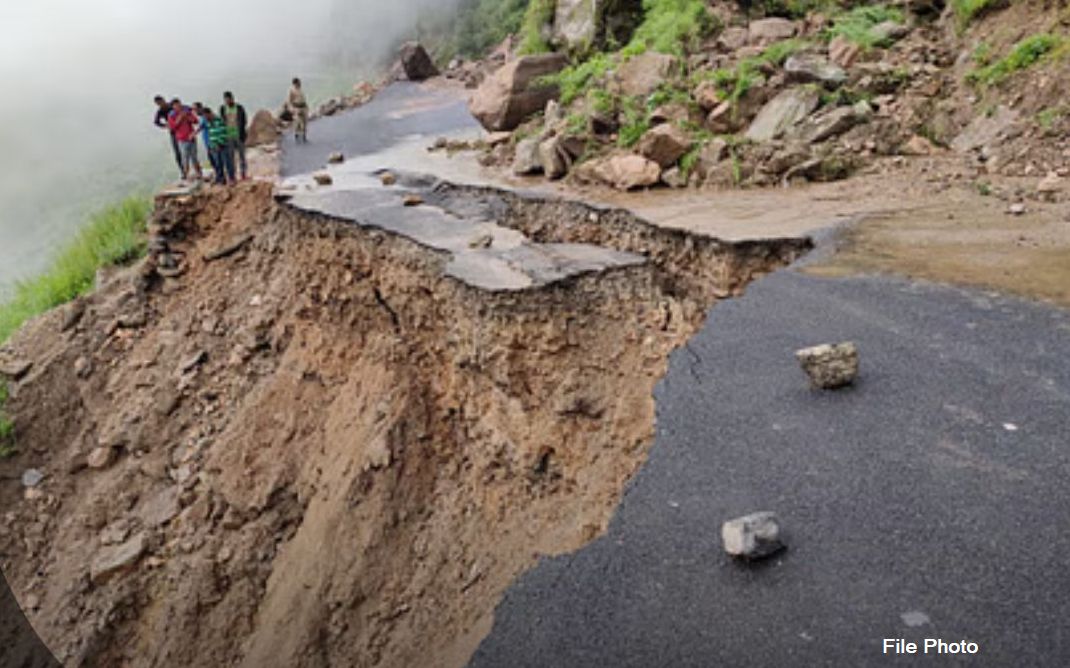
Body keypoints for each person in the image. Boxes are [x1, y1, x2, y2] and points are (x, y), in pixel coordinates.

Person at [168, 98, 203, 181]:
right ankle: (186, 175)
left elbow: (195, 121)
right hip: (182, 139)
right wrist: (180, 118)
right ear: (173, 107)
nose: (178, 106)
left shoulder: (186, 111)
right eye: (176, 105)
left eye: (179, 104)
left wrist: (187, 116)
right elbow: (172, 127)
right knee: (185, 158)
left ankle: (198, 173)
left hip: (191, 137)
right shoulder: (171, 115)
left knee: (194, 157)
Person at [220, 91, 249, 180]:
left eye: (229, 99)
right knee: (231, 157)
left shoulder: (239, 108)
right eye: (226, 100)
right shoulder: (223, 109)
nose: (227, 101)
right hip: (228, 136)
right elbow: (222, 121)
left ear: (232, 98)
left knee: (242, 156)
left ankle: (243, 173)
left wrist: (242, 132)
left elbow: (244, 120)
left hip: (239, 135)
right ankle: (233, 175)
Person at [203, 108, 236, 185]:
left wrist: (220, 143)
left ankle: (231, 179)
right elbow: (211, 134)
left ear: (210, 114)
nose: (206, 118)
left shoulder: (219, 121)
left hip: (223, 145)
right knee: (218, 164)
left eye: (206, 116)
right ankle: (221, 179)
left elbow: (223, 132)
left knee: (227, 163)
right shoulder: (209, 123)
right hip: (214, 146)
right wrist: (212, 145)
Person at [154, 95, 183, 177]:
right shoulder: (160, 111)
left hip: (182, 129)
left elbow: (185, 108)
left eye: (160, 102)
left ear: (163, 100)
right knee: (177, 152)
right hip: (173, 132)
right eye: (158, 104)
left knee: (187, 149)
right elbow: (156, 122)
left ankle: (192, 168)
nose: (160, 105)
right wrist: (166, 126)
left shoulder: (171, 105)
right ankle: (182, 171)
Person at [193, 103, 220, 178]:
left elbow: (201, 127)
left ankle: (220, 176)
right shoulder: (202, 117)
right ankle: (218, 176)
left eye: (195, 109)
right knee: (212, 160)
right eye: (194, 110)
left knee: (216, 160)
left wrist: (193, 134)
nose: (195, 112)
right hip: (207, 142)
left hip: (212, 141)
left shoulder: (206, 116)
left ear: (200, 108)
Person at [288, 78, 308, 143]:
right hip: (297, 107)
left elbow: (304, 99)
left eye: (300, 82)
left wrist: (306, 107)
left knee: (305, 122)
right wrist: (291, 108)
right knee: (297, 122)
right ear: (295, 84)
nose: (300, 84)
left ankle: (304, 135)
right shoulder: (292, 91)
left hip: (303, 107)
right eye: (298, 83)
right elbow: (289, 101)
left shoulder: (301, 90)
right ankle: (297, 134)